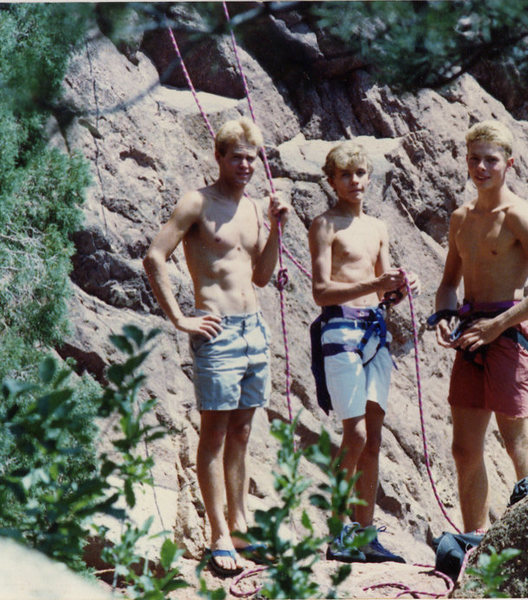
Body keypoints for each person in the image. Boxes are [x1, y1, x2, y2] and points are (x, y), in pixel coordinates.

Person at [143, 118, 290, 577]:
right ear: (219, 156)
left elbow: (262, 275)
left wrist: (277, 228)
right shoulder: (197, 202)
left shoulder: (252, 209)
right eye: (237, 156)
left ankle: (241, 525)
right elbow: (154, 257)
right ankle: (218, 536)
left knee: (243, 433)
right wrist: (181, 317)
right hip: (217, 330)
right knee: (215, 434)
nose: (245, 165)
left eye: (252, 157)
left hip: (254, 329)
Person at [432, 120, 528, 533]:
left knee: (518, 442)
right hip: (471, 334)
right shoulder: (461, 218)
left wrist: (500, 324)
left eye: (490, 160)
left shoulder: (518, 214)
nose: (481, 167)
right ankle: (473, 542)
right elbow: (446, 284)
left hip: (507, 332)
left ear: (508, 163)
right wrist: (443, 317)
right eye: (474, 159)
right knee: (463, 449)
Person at [308, 141, 420, 563]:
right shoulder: (324, 224)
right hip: (339, 329)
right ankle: (337, 531)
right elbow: (320, 291)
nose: (354, 181)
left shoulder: (377, 228)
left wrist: (400, 286)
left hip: (375, 332)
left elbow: (383, 288)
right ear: (332, 180)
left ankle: (365, 535)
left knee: (372, 438)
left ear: (369, 178)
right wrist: (376, 287)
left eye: (360, 174)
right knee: (352, 434)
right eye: (345, 175)